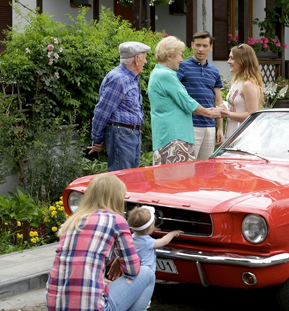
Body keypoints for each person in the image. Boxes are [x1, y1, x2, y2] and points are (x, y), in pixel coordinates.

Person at [46, 174, 154, 311]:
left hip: (55, 306)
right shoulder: (116, 220)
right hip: (92, 308)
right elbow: (133, 270)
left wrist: (117, 260)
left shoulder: (72, 222)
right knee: (147, 274)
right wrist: (122, 260)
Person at [148, 36, 222, 165]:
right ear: (170, 56)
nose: (181, 59)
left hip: (170, 137)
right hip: (174, 138)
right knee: (178, 181)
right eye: (179, 55)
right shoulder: (165, 75)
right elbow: (186, 102)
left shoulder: (159, 73)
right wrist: (209, 113)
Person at [88, 41, 151, 172]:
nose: (145, 62)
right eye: (144, 57)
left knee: (130, 179)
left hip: (130, 134)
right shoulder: (118, 79)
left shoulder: (131, 78)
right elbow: (102, 111)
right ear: (136, 59)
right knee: (121, 179)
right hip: (122, 134)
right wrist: (97, 139)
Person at [177, 30, 224, 159]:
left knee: (206, 170)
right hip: (190, 126)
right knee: (187, 167)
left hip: (210, 127)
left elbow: (218, 102)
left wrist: (220, 128)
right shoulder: (181, 67)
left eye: (204, 46)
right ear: (192, 45)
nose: (201, 49)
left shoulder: (214, 71)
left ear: (211, 47)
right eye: (198, 45)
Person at [223, 43, 264, 138]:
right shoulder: (237, 81)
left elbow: (252, 114)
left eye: (232, 58)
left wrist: (227, 113)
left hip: (244, 134)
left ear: (243, 61)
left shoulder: (248, 84)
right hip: (232, 130)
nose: (228, 61)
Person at [127, 205, 183, 272]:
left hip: (135, 269)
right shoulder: (147, 242)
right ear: (149, 227)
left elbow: (143, 229)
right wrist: (173, 233)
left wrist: (151, 228)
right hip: (146, 273)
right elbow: (164, 241)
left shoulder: (132, 237)